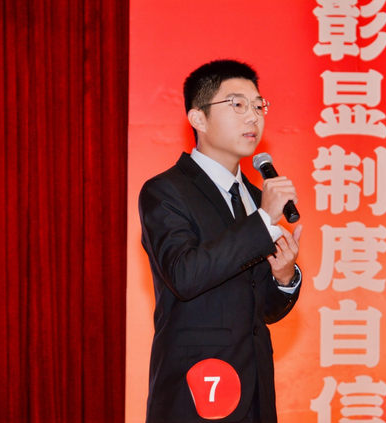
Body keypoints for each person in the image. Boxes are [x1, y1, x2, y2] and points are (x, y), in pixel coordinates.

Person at [139, 59, 302, 423]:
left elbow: (262, 310)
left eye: (258, 105)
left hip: (255, 394)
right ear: (198, 118)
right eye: (237, 104)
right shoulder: (165, 191)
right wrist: (263, 222)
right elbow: (184, 275)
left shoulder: (257, 199)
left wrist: (284, 278)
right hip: (196, 393)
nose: (253, 117)